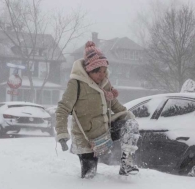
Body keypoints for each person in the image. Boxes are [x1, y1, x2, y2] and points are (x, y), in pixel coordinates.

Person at [55, 41, 140, 178]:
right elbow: (62, 109)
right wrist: (62, 133)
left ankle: (127, 163)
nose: (102, 75)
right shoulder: (76, 84)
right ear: (89, 70)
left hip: (105, 132)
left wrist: (130, 117)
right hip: (86, 138)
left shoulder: (105, 84)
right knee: (89, 176)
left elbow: (115, 105)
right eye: (98, 71)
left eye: (104, 71)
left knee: (130, 124)